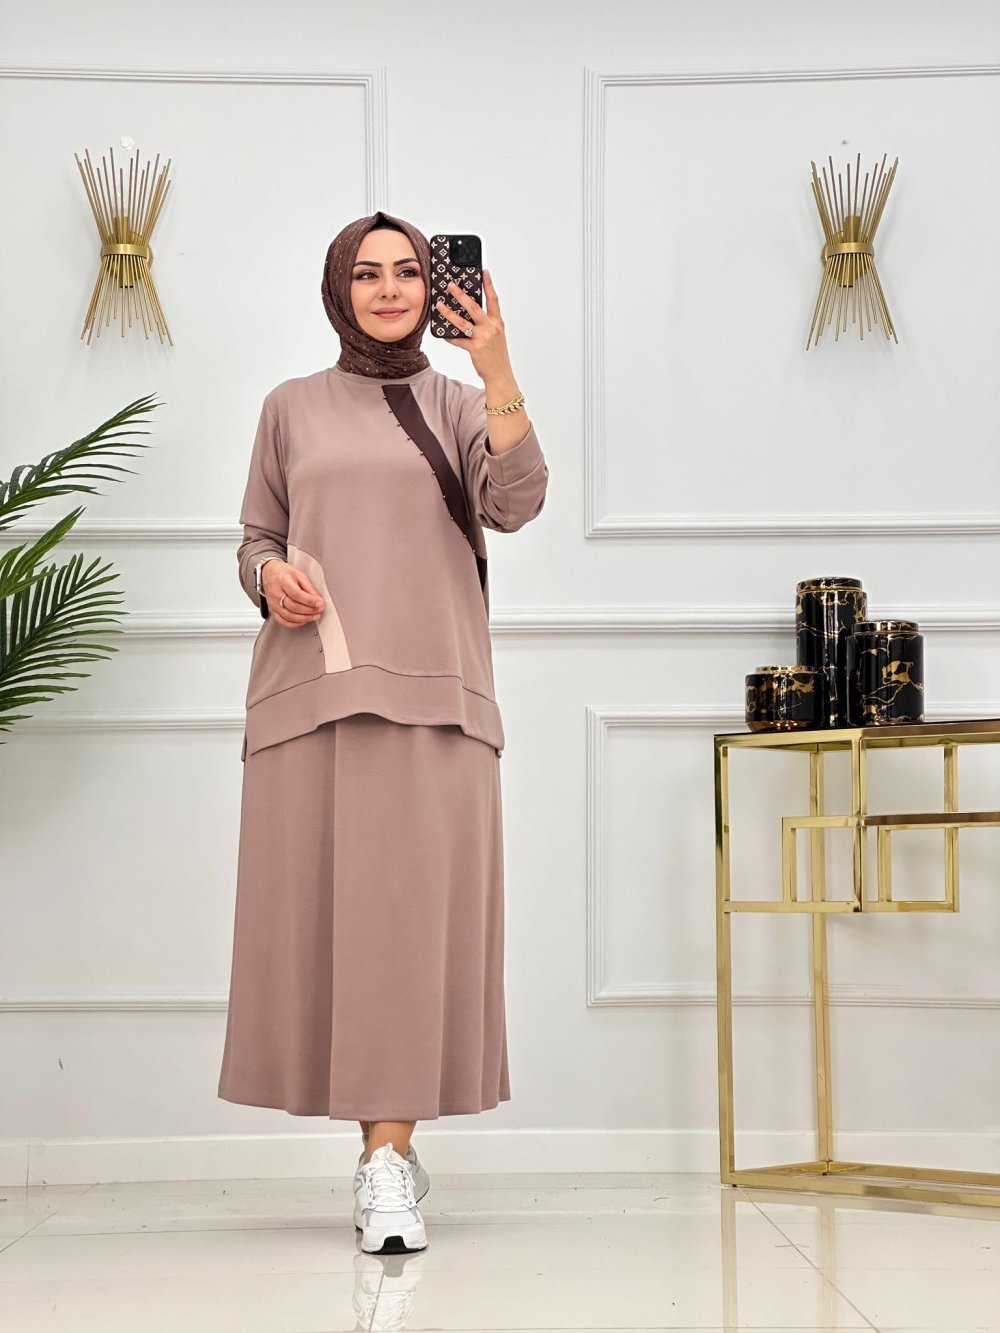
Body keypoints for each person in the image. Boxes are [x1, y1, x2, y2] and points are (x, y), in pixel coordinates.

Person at [217, 210, 549, 1255]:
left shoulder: (459, 403)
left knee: (407, 935)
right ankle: (384, 1157)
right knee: (332, 936)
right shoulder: (289, 407)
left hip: (437, 698)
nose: (393, 288)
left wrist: (495, 363)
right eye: (369, 273)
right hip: (311, 693)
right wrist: (268, 575)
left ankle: (387, 1159)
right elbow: (257, 535)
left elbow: (519, 501)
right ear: (339, 288)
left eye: (410, 270)